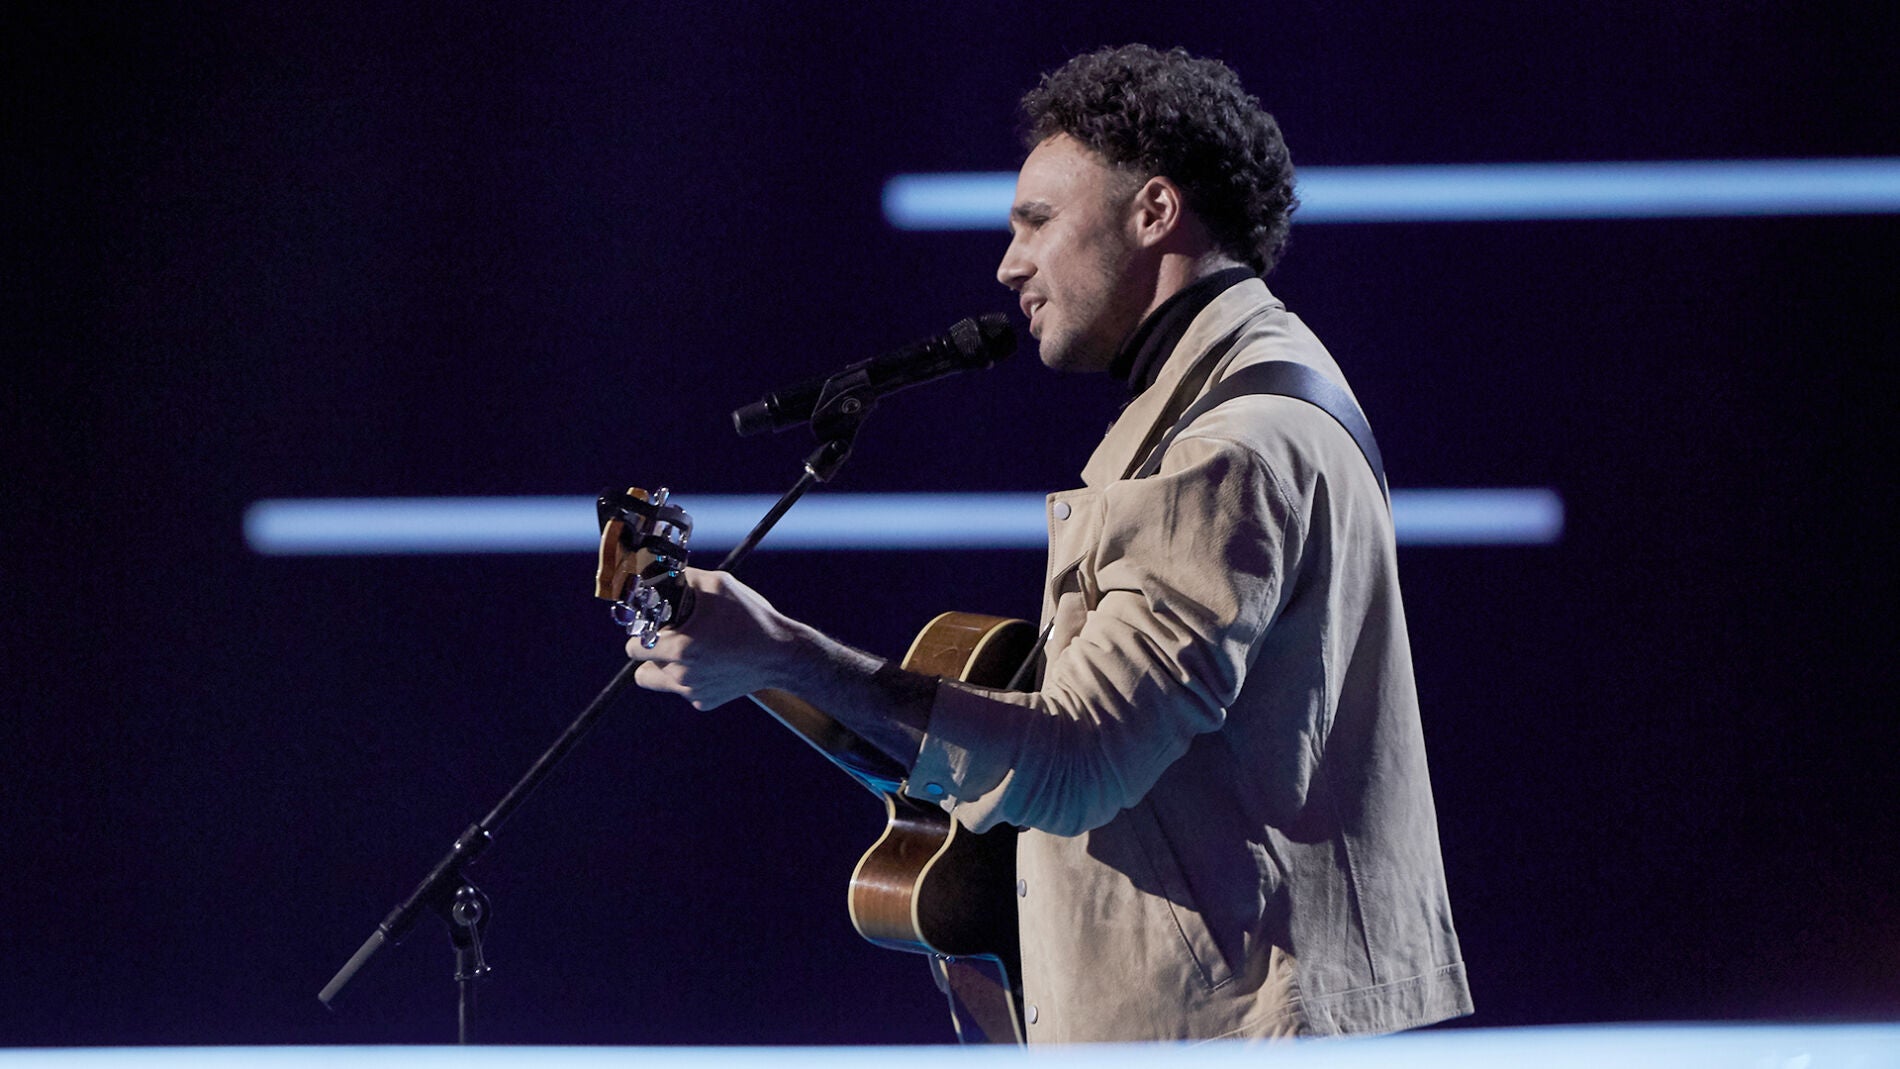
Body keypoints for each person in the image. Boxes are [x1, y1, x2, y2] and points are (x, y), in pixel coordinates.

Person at [626, 44, 1472, 1042]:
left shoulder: (1228, 448)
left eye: (1037, 221)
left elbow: (1077, 759)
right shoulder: (1220, 401)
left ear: (1154, 211)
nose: (1009, 263)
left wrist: (785, 654)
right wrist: (771, 664)